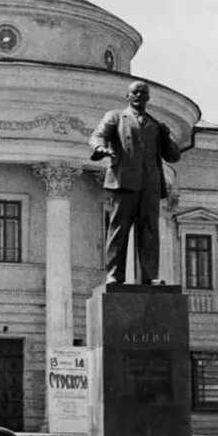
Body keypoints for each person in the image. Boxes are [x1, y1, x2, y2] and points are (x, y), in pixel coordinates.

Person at [89, 80, 181, 285]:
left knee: (149, 231)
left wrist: (166, 136)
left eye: (143, 93)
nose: (139, 96)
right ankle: (115, 275)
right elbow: (97, 136)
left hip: (150, 185)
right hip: (124, 182)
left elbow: (173, 156)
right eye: (135, 92)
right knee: (118, 230)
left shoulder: (156, 125)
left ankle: (149, 277)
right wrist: (101, 148)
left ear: (148, 98)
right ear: (127, 96)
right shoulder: (115, 117)